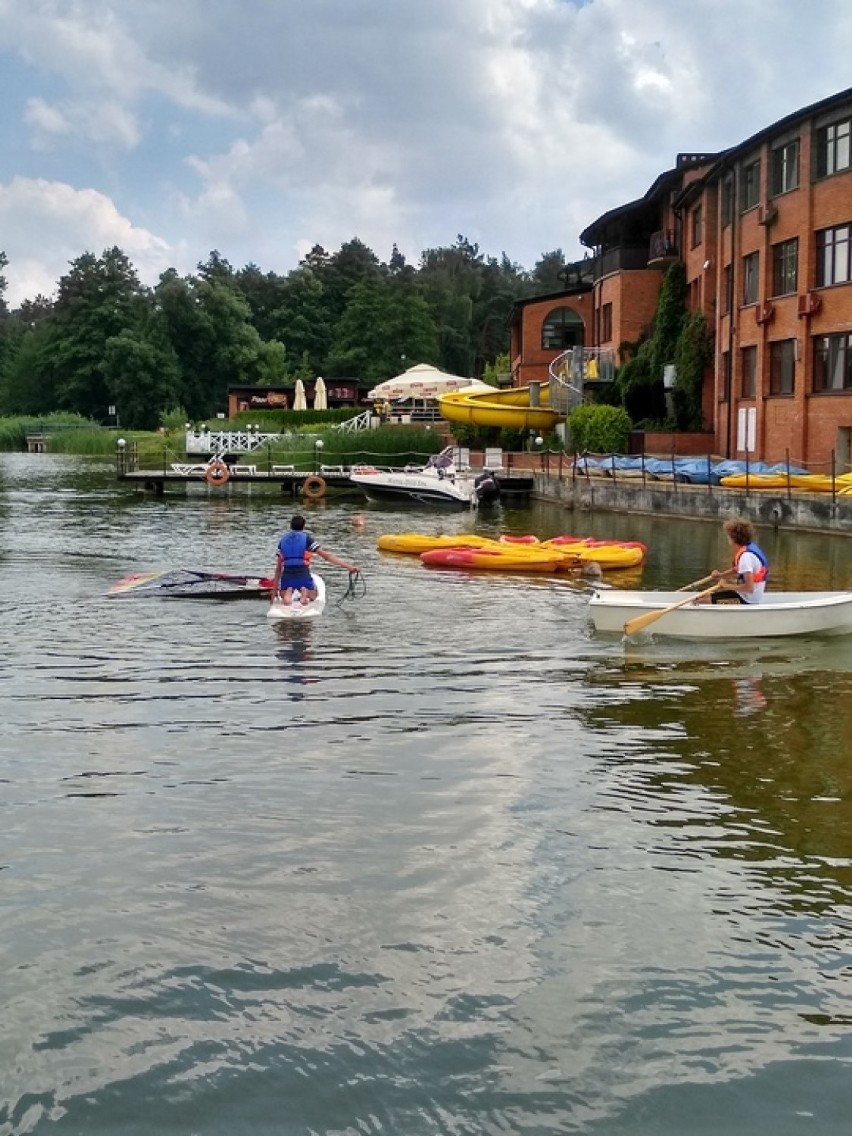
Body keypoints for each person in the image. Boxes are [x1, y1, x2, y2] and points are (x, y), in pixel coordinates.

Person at [273, 515, 358, 606]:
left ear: (291, 526)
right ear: (303, 526)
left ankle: (288, 592)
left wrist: (274, 592)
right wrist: (349, 567)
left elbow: (278, 568)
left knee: (283, 594)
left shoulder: (283, 540)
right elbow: (327, 556)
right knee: (314, 595)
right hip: (302, 572)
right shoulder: (306, 538)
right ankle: (304, 592)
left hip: (287, 574)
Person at [708, 518, 769, 604]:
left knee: (703, 600)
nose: (727, 538)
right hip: (744, 594)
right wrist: (721, 575)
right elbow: (736, 569)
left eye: (728, 535)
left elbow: (749, 588)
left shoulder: (745, 557)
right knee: (704, 596)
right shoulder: (748, 548)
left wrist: (725, 586)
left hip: (747, 600)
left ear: (733, 538)